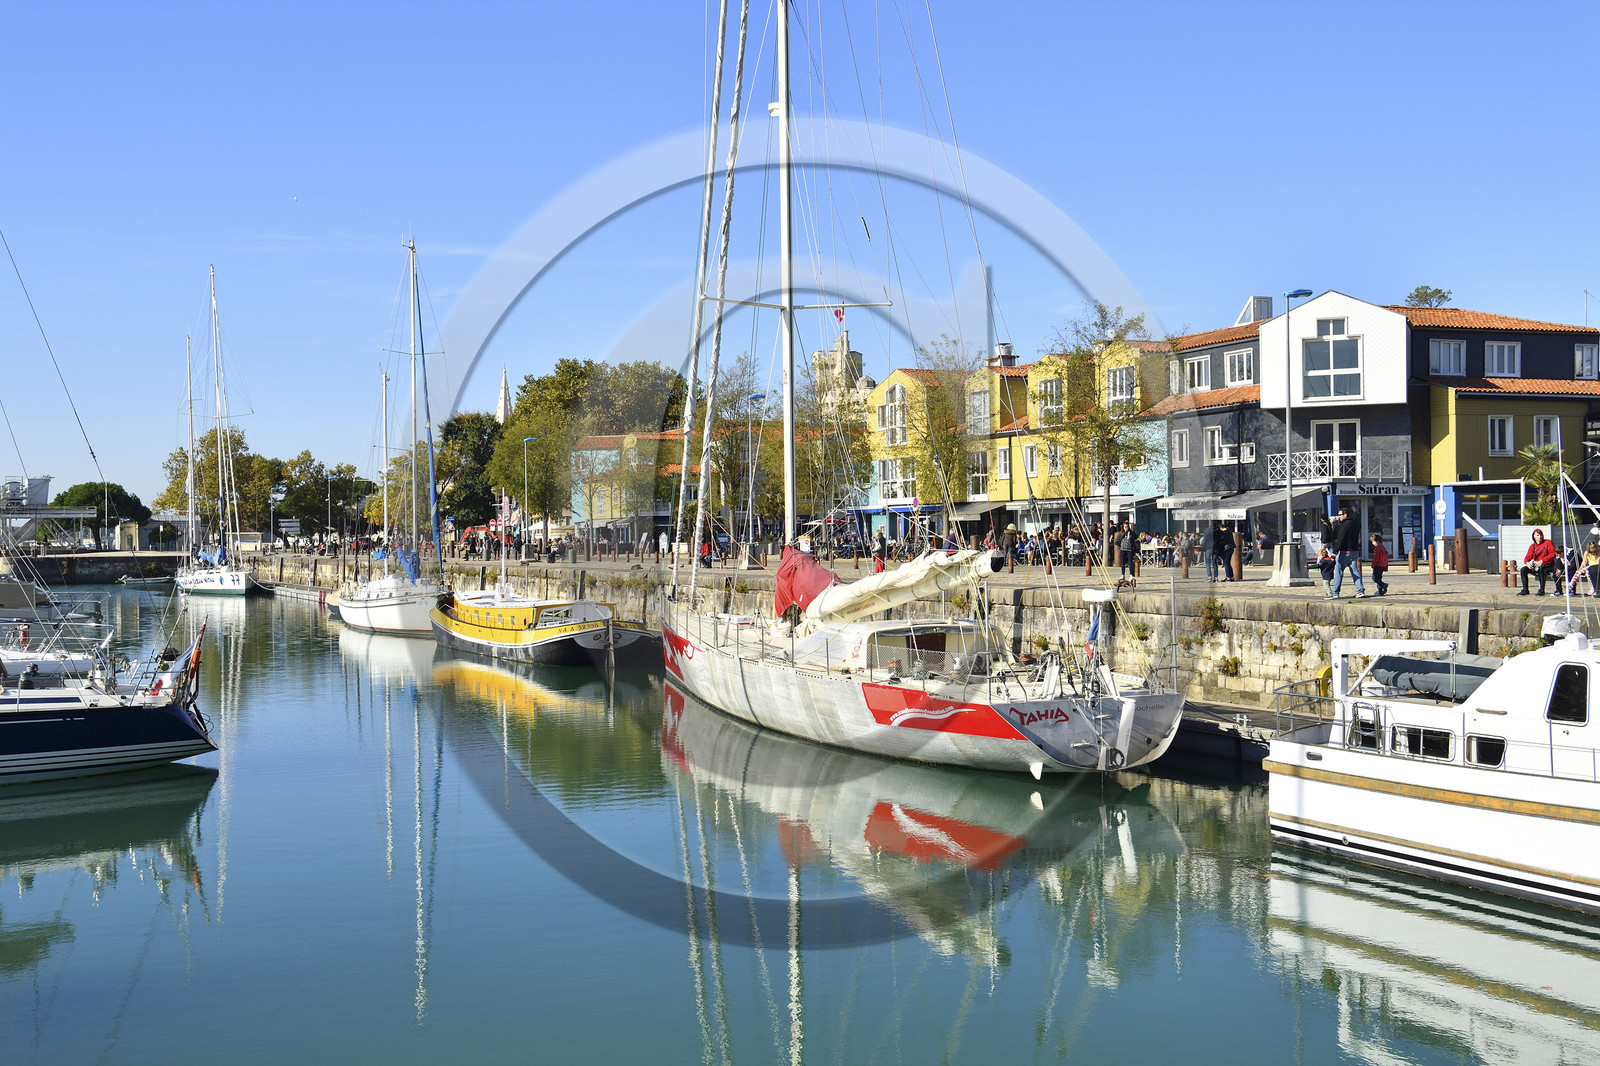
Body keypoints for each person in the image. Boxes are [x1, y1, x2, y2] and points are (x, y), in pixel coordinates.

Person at [1326, 506, 1367, 598]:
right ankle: (1360, 591)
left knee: (1339, 572)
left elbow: (1341, 538)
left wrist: (1335, 551)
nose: (1339, 517)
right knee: (1355, 571)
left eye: (1340, 515)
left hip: (1344, 551)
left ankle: (1335, 592)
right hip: (1354, 550)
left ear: (1345, 515)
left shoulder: (1344, 525)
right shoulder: (1355, 524)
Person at [1519, 528, 1557, 596]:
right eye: (1538, 535)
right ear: (1534, 536)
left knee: (1542, 569)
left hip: (1548, 564)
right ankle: (1525, 590)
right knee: (1523, 570)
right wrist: (1527, 563)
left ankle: (1541, 590)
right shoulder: (1532, 546)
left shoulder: (1548, 542)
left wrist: (1543, 560)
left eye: (1541, 535)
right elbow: (1527, 557)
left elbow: (1553, 554)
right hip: (1536, 564)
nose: (1540, 537)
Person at [1369, 532, 1390, 597]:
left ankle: (1383, 585)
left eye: (1373, 542)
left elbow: (1376, 558)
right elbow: (1385, 557)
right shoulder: (1383, 547)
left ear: (1377, 541)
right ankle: (1380, 591)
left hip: (1378, 565)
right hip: (1382, 565)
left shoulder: (1378, 548)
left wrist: (1373, 565)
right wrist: (1386, 566)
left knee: (1375, 578)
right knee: (1379, 578)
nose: (1372, 543)